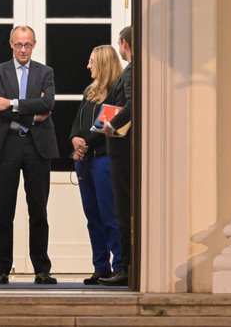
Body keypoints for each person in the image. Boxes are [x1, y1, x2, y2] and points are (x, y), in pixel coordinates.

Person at [0, 25, 59, 285]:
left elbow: (48, 103)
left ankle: (42, 269)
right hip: (7, 145)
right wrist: (34, 113)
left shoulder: (45, 72)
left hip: (37, 147)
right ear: (11, 44)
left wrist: (13, 102)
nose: (23, 49)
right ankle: (1, 269)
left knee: (38, 209)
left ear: (35, 44)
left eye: (28, 44)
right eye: (19, 44)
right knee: (4, 210)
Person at [69, 45, 124, 285]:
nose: (88, 66)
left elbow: (107, 123)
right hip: (85, 162)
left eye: (92, 61)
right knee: (92, 215)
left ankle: (120, 266)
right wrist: (74, 140)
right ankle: (100, 266)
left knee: (109, 214)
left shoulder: (116, 91)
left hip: (103, 159)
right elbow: (77, 121)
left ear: (102, 63)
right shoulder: (89, 91)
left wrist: (86, 143)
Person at [98, 26, 133, 287]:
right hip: (122, 148)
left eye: (119, 44)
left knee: (123, 211)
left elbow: (131, 105)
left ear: (124, 43)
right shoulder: (134, 71)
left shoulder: (131, 72)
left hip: (122, 148)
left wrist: (110, 125)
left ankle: (125, 268)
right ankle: (126, 266)